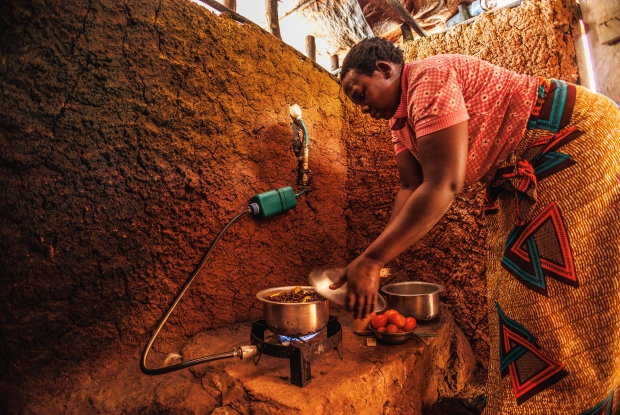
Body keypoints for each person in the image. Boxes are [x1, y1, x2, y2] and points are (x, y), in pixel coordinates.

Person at [330, 36, 620, 414]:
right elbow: (410, 188)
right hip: (528, 165)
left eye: (360, 93)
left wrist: (370, 262)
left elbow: (443, 184)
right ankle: (518, 400)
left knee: (545, 291)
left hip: (574, 141)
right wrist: (376, 257)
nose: (362, 106)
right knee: (510, 287)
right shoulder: (400, 123)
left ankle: (571, 404)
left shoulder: (428, 79)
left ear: (385, 70)